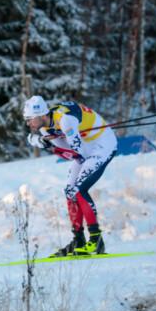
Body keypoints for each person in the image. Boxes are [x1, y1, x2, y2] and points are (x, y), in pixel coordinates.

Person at [23, 95, 117, 257]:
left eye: (30, 119)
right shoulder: (45, 127)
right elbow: (69, 155)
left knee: (80, 189)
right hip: (85, 146)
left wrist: (46, 146)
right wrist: (47, 143)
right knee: (69, 191)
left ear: (42, 115)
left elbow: (77, 155)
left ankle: (96, 240)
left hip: (101, 144)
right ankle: (78, 240)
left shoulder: (65, 120)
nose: (28, 123)